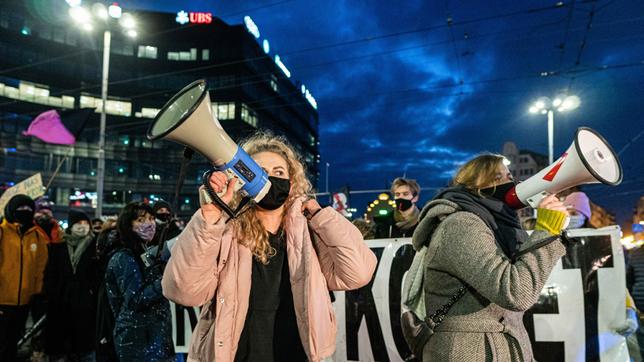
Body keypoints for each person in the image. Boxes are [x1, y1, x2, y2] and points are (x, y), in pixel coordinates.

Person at [162, 133, 377, 362]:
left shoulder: (311, 232)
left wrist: (319, 214)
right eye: (261, 172)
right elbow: (183, 291)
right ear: (243, 180)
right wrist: (210, 217)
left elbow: (358, 273)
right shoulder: (223, 230)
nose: (270, 179)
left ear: (292, 182)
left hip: (297, 354)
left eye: (279, 172)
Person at [409, 153, 569, 361]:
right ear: (473, 185)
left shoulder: (495, 225)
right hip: (470, 351)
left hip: (495, 345)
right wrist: (547, 230)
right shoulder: (461, 224)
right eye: (496, 178)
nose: (509, 183)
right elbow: (515, 292)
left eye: (509, 175)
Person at [104, 202, 174, 361]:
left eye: (151, 218)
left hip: (155, 337)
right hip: (136, 340)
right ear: (128, 225)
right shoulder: (123, 257)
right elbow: (136, 299)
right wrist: (166, 280)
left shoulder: (147, 254)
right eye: (141, 220)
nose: (149, 224)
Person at [44, 209, 98, 361]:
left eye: (86, 223)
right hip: (60, 303)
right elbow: (50, 274)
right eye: (78, 223)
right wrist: (51, 294)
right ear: (70, 226)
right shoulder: (59, 248)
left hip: (85, 304)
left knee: (84, 347)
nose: (82, 226)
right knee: (60, 345)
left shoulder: (95, 247)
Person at [0, 194, 48, 361]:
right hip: (2, 302)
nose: (25, 211)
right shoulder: (2, 232)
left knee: (13, 344)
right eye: (21, 208)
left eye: (29, 209)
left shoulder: (37, 236)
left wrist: (37, 293)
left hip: (24, 303)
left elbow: (41, 268)